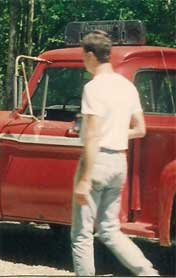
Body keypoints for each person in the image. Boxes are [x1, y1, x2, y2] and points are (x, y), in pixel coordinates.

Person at [71, 30, 158, 276]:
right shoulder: (127, 87)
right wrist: (116, 132)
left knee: (82, 233)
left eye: (82, 55)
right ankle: (147, 273)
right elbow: (140, 129)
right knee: (110, 229)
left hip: (97, 162)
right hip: (119, 162)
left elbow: (92, 136)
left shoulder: (93, 88)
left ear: (90, 55)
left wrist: (85, 179)